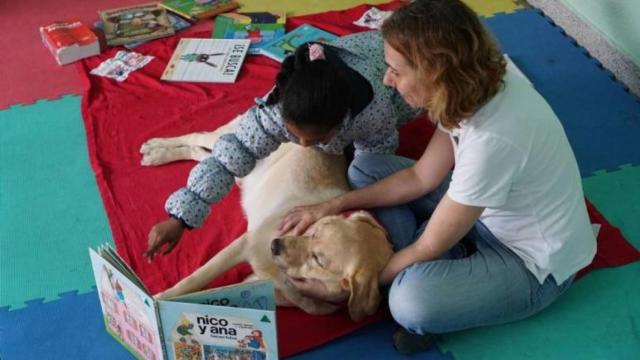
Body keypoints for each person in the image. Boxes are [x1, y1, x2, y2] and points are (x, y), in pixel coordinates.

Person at [278, 0, 597, 354]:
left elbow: (429, 246)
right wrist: (332, 205)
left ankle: (431, 269)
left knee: (409, 302)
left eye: (396, 71)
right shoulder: (469, 88)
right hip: (481, 211)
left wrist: (356, 285)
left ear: (435, 72)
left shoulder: (493, 139)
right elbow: (420, 177)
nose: (387, 79)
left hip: (530, 264)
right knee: (365, 168)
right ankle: (437, 257)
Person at [144, 31, 418, 261]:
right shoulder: (276, 109)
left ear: (340, 124)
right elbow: (230, 156)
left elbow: (379, 157)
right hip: (351, 73)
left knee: (366, 172)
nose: (303, 145)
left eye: (317, 139)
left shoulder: (374, 112)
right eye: (295, 134)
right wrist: (179, 218)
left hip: (382, 63)